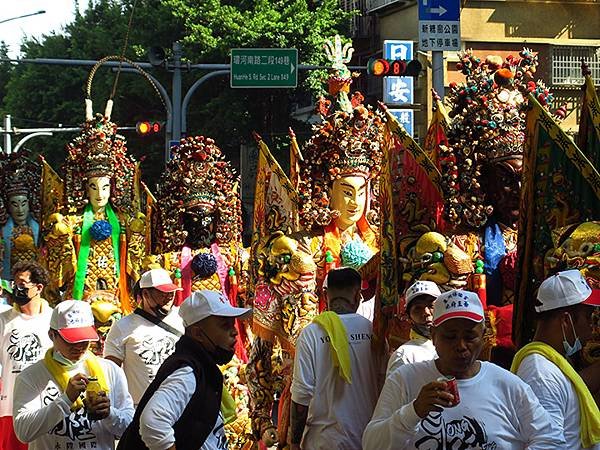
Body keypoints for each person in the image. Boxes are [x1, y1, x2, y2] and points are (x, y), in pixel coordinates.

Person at [362, 289, 565, 450]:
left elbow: (551, 439)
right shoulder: (404, 380)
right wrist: (413, 412)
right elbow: (371, 444)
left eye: (470, 337)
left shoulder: (507, 385)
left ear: (484, 335)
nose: (460, 346)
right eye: (450, 336)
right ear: (433, 335)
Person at [117, 290, 252, 450]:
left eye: (232, 324)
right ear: (198, 333)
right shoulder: (187, 371)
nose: (235, 331)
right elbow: (152, 422)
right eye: (224, 326)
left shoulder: (201, 365)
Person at [12, 300, 134, 450]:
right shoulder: (30, 376)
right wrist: (66, 399)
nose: (79, 346)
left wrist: (109, 413)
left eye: (84, 339)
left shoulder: (110, 370)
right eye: (71, 340)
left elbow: (130, 429)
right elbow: (24, 432)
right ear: (52, 335)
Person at [290, 267, 380, 450]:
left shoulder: (311, 334)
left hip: (324, 441)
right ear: (357, 296)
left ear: (325, 295)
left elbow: (301, 399)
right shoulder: (373, 332)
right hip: (368, 439)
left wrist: (293, 442)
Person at [512, 270, 600, 449]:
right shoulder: (540, 373)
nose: (591, 330)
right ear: (566, 320)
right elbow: (546, 443)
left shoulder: (550, 362)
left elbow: (571, 391)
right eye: (588, 318)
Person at [104, 268, 184, 405]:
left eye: (171, 292)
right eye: (163, 293)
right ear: (146, 293)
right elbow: (111, 373)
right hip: (141, 409)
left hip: (180, 405)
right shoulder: (122, 327)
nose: (169, 297)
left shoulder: (184, 318)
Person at [0, 261, 53, 450]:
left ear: (38, 287)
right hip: (10, 407)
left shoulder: (52, 319)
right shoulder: (4, 320)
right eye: (14, 283)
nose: (16, 289)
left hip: (45, 406)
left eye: (22, 284)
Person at [386, 280, 441, 376]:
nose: (426, 312)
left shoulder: (452, 348)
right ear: (408, 317)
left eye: (431, 306)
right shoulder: (404, 356)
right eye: (418, 308)